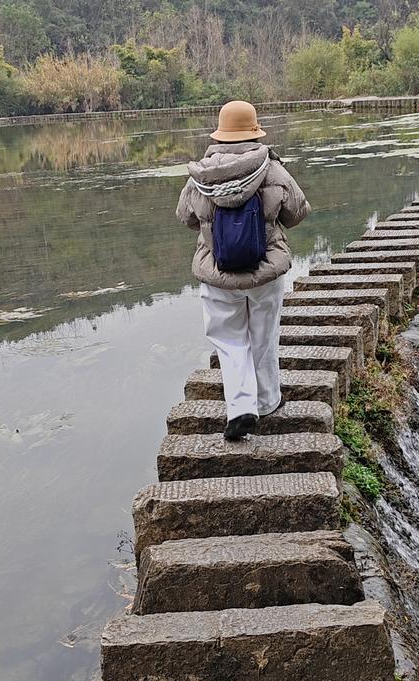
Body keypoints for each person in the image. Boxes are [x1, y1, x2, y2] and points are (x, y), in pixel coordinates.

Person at [176, 100, 311, 441]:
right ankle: (267, 400)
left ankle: (240, 408)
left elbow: (185, 217)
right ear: (254, 131)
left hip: (218, 273)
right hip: (264, 271)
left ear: (219, 135)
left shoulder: (201, 175)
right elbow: (297, 212)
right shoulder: (271, 168)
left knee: (229, 341)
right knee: (263, 336)